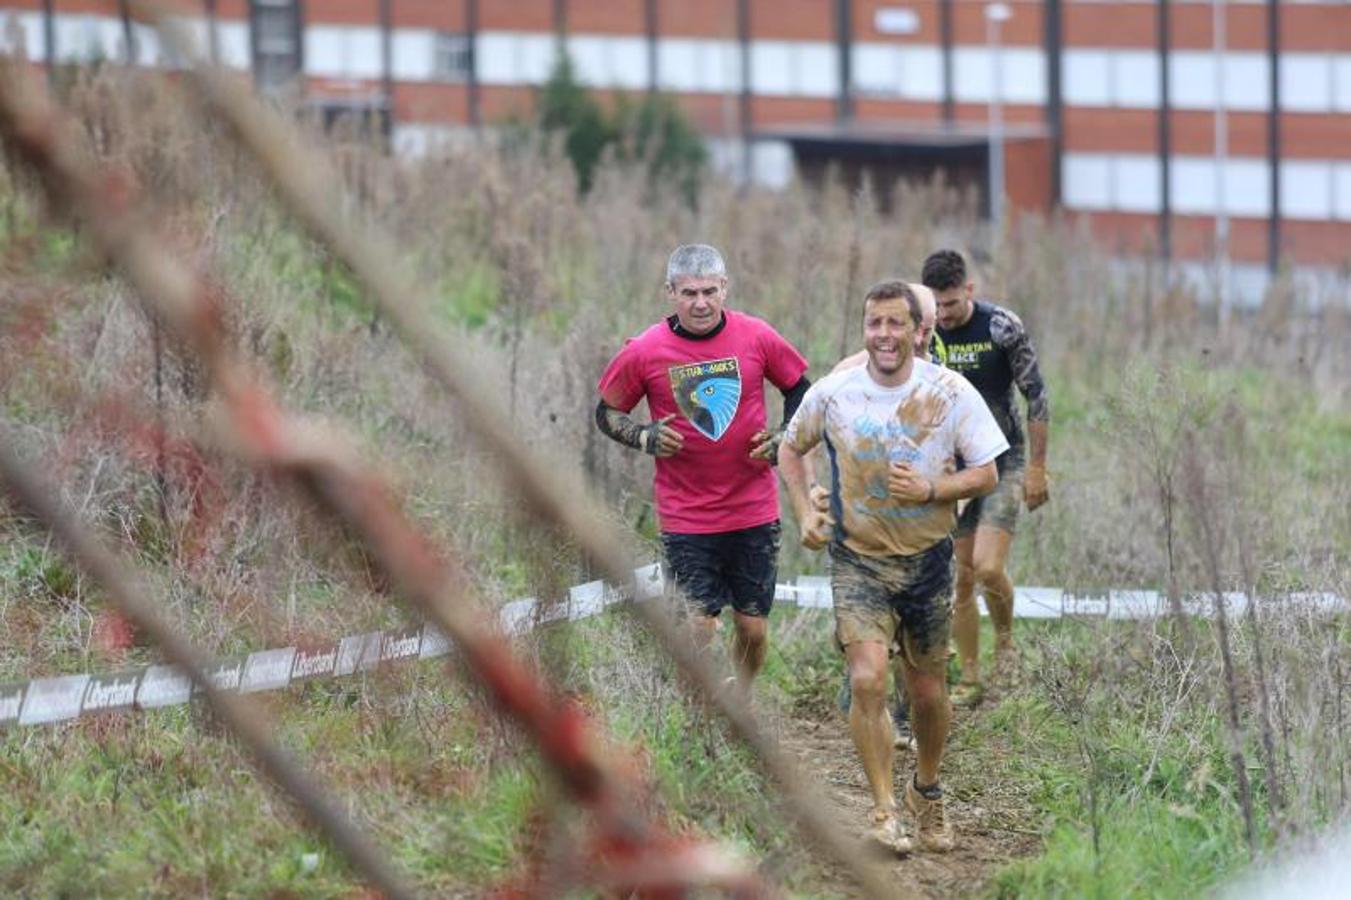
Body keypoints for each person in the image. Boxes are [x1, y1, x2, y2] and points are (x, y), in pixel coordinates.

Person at [779, 280, 1008, 854]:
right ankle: (883, 811)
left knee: (929, 694)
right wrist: (806, 509)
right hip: (859, 562)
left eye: (894, 324)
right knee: (867, 680)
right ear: (865, 329)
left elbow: (987, 473)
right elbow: (790, 446)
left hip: (928, 563)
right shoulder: (835, 393)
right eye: (874, 324)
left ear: (916, 331)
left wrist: (933, 487)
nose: (884, 335)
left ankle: (925, 791)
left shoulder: (950, 392)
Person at [595, 244, 810, 692]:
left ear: (724, 288)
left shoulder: (756, 336)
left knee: (752, 629)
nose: (700, 303)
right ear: (670, 292)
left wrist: (784, 437)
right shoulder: (646, 350)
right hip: (686, 514)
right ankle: (697, 709)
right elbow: (607, 412)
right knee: (699, 627)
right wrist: (644, 436)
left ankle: (742, 698)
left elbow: (802, 390)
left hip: (753, 507)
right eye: (689, 292)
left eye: (710, 291)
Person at [924, 250, 1050, 707]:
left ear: (969, 290)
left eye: (952, 304)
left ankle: (1007, 647)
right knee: (960, 575)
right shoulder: (923, 330)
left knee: (988, 567)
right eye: (936, 306)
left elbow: (1036, 395)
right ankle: (972, 678)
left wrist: (1037, 468)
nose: (944, 314)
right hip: (951, 466)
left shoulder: (1002, 327)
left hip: (1003, 457)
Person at [821, 282, 940, 751]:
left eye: (930, 330)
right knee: (867, 636)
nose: (924, 338)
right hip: (860, 522)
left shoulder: (939, 378)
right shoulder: (849, 374)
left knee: (915, 638)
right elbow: (817, 435)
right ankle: (864, 696)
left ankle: (906, 717)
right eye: (922, 327)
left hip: (923, 527)